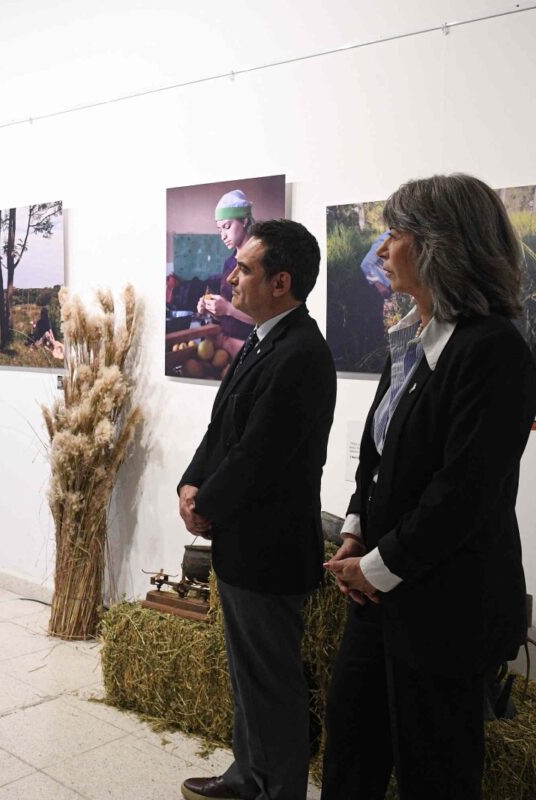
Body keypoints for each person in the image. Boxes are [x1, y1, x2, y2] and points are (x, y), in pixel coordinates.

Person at [321, 174, 536, 800]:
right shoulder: (414, 340)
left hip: (446, 606)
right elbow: (380, 457)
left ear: (439, 244)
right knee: (350, 748)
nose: (382, 249)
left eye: (395, 233)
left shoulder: (493, 350)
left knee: (435, 772)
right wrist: (356, 528)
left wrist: (376, 567)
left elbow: (464, 492)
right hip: (382, 593)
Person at [178, 219, 336, 800]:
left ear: (280, 282)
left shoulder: (300, 353)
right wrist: (190, 483)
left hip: (270, 549)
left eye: (244, 269)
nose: (231, 278)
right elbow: (222, 428)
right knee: (249, 677)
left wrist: (206, 506)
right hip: (245, 543)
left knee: (271, 682)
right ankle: (248, 776)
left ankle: (277, 789)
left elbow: (258, 456)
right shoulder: (265, 341)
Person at [197, 189, 258, 359]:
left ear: (244, 220)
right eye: (220, 230)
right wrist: (212, 309)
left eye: (227, 227)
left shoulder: (259, 261)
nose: (223, 236)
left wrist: (228, 309)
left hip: (249, 352)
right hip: (227, 351)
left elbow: (266, 318)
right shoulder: (229, 263)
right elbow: (227, 312)